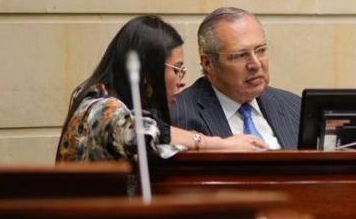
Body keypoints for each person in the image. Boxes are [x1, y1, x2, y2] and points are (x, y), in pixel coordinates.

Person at [57, 15, 266, 161]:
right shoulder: (101, 109)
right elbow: (146, 133)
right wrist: (220, 144)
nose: (181, 80)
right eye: (176, 70)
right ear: (147, 72)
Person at [171, 7, 302, 149]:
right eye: (240, 55)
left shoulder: (295, 107)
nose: (256, 64)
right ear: (208, 63)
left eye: (261, 50)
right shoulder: (177, 115)